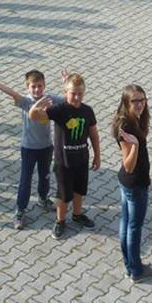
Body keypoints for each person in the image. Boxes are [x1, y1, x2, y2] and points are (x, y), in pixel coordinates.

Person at [0, 71, 60, 230]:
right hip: (29, 148)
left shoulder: (49, 99)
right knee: (26, 179)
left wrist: (67, 83)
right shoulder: (26, 102)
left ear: (44, 85)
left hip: (46, 147)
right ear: (28, 87)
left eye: (40, 86)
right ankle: (20, 210)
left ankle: (43, 198)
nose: (37, 90)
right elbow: (13, 93)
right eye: (33, 86)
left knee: (45, 175)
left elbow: (68, 98)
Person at [29, 72, 101, 240]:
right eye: (72, 93)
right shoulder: (59, 110)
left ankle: (77, 215)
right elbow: (34, 116)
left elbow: (94, 135)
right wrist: (36, 107)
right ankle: (60, 221)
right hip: (64, 162)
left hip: (82, 159)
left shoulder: (87, 111)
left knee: (79, 190)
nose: (76, 97)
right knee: (63, 194)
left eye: (80, 93)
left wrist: (97, 155)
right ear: (65, 92)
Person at [113, 84, 152, 283]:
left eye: (142, 100)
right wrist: (136, 145)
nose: (139, 104)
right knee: (134, 227)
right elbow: (129, 165)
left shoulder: (130, 121)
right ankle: (136, 270)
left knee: (127, 224)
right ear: (126, 102)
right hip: (134, 183)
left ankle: (130, 266)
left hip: (128, 184)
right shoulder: (126, 129)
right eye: (135, 101)